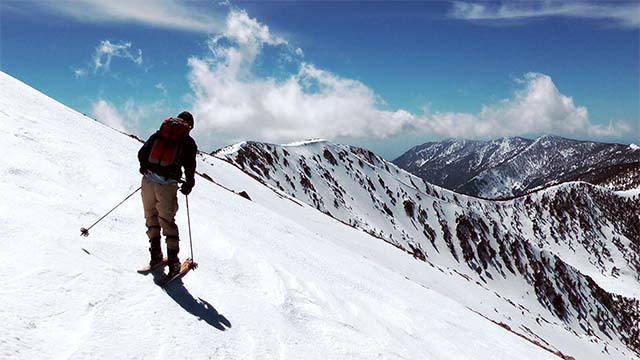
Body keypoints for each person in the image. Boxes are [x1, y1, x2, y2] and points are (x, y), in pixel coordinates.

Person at [137, 111, 197, 277]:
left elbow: (142, 153)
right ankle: (173, 264)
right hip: (166, 186)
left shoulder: (160, 134)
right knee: (167, 222)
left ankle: (155, 255)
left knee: (151, 218)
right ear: (189, 126)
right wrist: (188, 184)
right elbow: (190, 166)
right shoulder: (187, 141)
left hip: (147, 181)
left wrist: (145, 168)